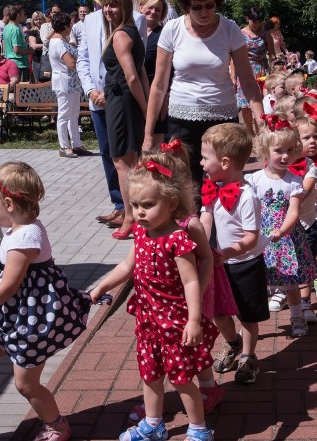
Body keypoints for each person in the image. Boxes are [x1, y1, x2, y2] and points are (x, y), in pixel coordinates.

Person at [0, 162, 90, 441]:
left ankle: (57, 425)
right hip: (14, 317)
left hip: (33, 320)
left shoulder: (26, 237)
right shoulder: (15, 231)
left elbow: (7, 287)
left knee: (25, 384)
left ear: (9, 204)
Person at [90, 151, 218, 441]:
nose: (140, 213)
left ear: (171, 203)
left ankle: (199, 429)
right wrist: (102, 286)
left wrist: (194, 320)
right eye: (135, 205)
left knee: (182, 379)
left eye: (148, 205)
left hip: (175, 321)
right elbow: (127, 266)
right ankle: (153, 424)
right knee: (150, 375)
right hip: (148, 321)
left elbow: (191, 282)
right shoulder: (140, 232)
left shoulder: (178, 238)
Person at [142, 0, 265, 187]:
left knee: (225, 183)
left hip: (222, 118)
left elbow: (247, 81)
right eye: (196, 7)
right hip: (182, 118)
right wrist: (149, 134)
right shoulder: (172, 29)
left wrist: (262, 121)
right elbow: (159, 86)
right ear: (185, 5)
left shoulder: (230, 29)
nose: (204, 12)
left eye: (209, 5)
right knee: (185, 184)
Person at [76, 0, 146, 231]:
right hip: (99, 96)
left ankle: (134, 211)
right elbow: (82, 58)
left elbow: (136, 68)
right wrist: (91, 90)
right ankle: (120, 205)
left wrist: (146, 106)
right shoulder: (90, 20)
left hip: (121, 96)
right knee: (109, 154)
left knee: (127, 158)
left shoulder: (135, 20)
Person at [200, 123, 269, 385]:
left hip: (245, 264)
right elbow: (206, 218)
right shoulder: (212, 186)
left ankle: (249, 356)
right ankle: (232, 343)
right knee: (219, 312)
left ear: (225, 162)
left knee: (248, 315)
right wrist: (200, 245)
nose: (201, 162)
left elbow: (251, 237)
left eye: (206, 157)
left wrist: (226, 252)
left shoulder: (246, 196)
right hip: (219, 263)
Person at [246, 116, 317, 338]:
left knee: (290, 284)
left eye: (289, 150)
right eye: (278, 150)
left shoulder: (294, 182)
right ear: (266, 151)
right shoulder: (254, 179)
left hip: (284, 238)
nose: (285, 156)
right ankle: (249, 325)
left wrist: (282, 231)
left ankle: (297, 317)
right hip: (260, 237)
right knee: (257, 283)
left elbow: (294, 211)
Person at [100, 0, 149, 239]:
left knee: (121, 162)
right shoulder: (131, 32)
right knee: (132, 161)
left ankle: (130, 217)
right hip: (123, 100)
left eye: (114, 5)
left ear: (125, 7)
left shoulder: (120, 35)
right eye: (106, 5)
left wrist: (145, 108)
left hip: (121, 101)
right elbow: (139, 73)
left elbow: (132, 76)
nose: (109, 10)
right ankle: (138, 216)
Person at [291, 103, 317, 322]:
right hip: (295, 218)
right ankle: (287, 292)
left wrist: (303, 192)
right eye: (306, 138)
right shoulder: (287, 163)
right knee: (299, 256)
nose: (312, 142)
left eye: (316, 137)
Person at [48, 11, 90, 158]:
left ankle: (77, 144)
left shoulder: (61, 41)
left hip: (71, 83)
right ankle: (64, 146)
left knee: (73, 114)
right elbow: (71, 63)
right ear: (66, 26)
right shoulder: (59, 43)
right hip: (65, 82)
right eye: (70, 25)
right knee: (64, 115)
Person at [235, 7, 274, 136]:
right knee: (245, 104)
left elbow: (272, 54)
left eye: (260, 21)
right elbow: (233, 56)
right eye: (254, 21)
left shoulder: (265, 34)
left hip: (262, 70)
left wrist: (277, 68)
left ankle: (261, 132)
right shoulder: (240, 33)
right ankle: (250, 133)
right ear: (247, 19)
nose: (257, 24)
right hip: (244, 69)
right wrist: (232, 76)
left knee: (262, 101)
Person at [138, 0, 169, 145]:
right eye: (150, 8)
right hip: (135, 91)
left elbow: (171, 69)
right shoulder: (132, 32)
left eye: (158, 10)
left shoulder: (163, 34)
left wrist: (164, 98)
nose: (153, 12)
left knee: (154, 144)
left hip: (156, 91)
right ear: (141, 7)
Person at [2, 5, 34, 82]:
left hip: (9, 62)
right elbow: (17, 50)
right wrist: (30, 50)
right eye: (23, 14)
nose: (25, 16)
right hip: (19, 64)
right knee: (20, 90)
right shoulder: (15, 29)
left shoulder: (6, 27)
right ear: (18, 16)